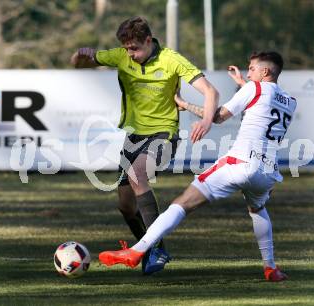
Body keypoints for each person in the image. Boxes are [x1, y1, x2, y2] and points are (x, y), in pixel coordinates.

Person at [98, 51, 297, 282]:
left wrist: (185, 104)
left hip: (240, 163)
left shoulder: (253, 89)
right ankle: (271, 268)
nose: (248, 72)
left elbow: (218, 116)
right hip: (267, 173)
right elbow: (264, 103)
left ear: (265, 71)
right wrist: (244, 84)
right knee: (257, 210)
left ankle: (137, 250)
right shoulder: (290, 101)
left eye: (251, 69)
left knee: (181, 204)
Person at [70, 16, 218, 275]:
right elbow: (81, 62)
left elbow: (210, 91)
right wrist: (80, 57)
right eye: (127, 49)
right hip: (133, 137)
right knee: (126, 206)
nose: (131, 54)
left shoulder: (171, 59)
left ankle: (156, 248)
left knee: (138, 174)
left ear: (149, 40)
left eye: (135, 48)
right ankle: (148, 250)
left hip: (164, 134)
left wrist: (206, 120)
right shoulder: (120, 56)